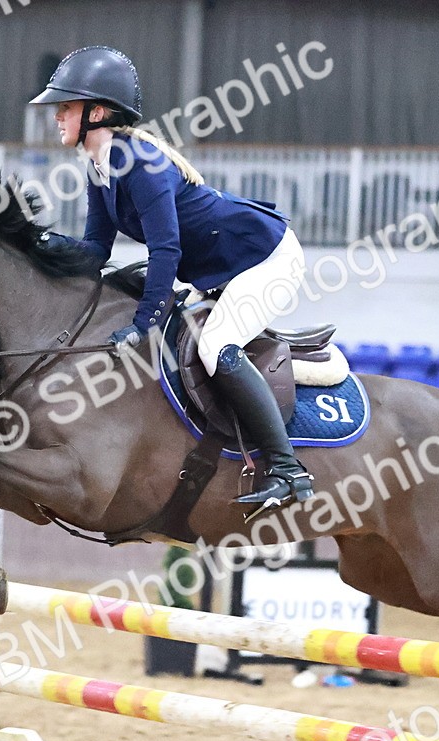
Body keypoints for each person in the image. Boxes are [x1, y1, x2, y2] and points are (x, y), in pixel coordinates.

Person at [29, 46, 313, 512]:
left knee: (215, 345)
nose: (57, 116)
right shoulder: (100, 167)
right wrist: (35, 248)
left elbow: (166, 250)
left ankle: (287, 469)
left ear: (96, 112)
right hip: (221, 269)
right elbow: (95, 250)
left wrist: (143, 323)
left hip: (268, 258)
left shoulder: (138, 161)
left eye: (66, 106)